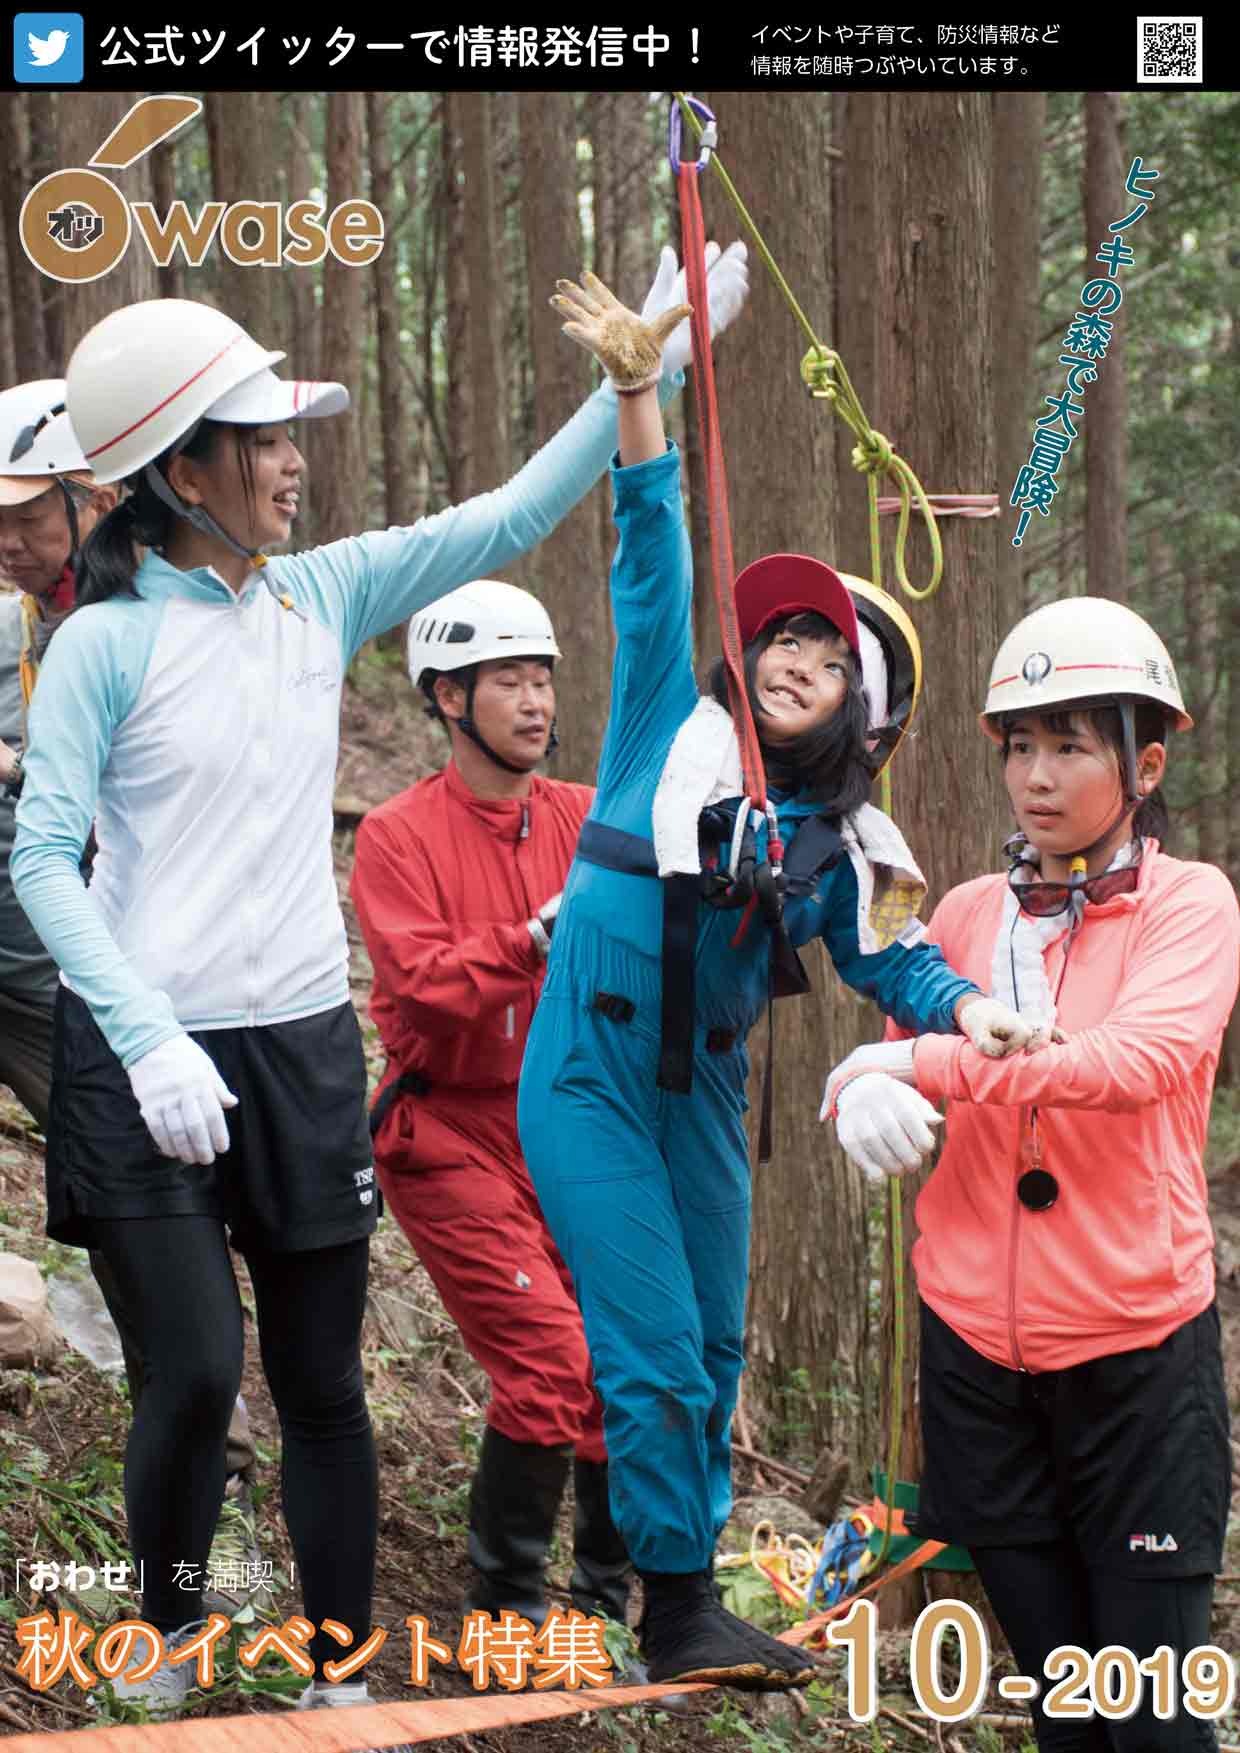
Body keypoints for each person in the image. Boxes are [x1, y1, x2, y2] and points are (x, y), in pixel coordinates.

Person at [10, 252, 746, 1728]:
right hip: (142, 1057)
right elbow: (37, 861)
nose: (294, 462)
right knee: (200, 1373)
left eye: (292, 434)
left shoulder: (320, 599)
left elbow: (509, 516)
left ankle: (340, 1666)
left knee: (324, 1380)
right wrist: (143, 1032)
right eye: (266, 437)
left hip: (298, 1051)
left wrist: (641, 373)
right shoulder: (100, 643)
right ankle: (165, 1630)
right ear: (182, 466)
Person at [517, 271, 1036, 1691]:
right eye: (781, 637)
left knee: (711, 1344)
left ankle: (672, 1591)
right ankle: (664, 1601)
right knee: (654, 1348)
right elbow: (651, 559)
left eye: (829, 651)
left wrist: (973, 1008)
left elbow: (900, 957)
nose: (794, 654)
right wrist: (643, 391)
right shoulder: (661, 731)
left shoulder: (853, 841)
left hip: (705, 1096)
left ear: (871, 710)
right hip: (588, 1072)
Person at [823, 597, 1238, 1752]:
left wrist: (922, 1060)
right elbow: (890, 1037)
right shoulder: (961, 914)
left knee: (1151, 1727)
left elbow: (1134, 1062)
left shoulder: (1189, 905)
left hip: (1137, 1367)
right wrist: (865, 1089)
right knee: (1062, 1714)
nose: (1035, 776)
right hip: (978, 1369)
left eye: (1070, 744)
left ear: (1144, 761)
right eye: (1019, 745)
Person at [0, 379, 262, 1597]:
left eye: (27, 522)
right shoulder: (26, 619)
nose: (9, 545)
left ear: (94, 494)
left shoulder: (162, 605)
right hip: (54, 964)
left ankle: (193, 1483)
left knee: (180, 1295)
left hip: (145, 985)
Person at [350, 579, 634, 1635]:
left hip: (572, 1123)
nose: (534, 699)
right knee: (550, 1362)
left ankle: (604, 1603)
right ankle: (503, 1614)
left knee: (615, 1360)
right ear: (448, 697)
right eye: (508, 679)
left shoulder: (582, 816)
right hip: (448, 1129)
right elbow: (420, 980)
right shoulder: (396, 835)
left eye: (542, 676)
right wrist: (531, 940)